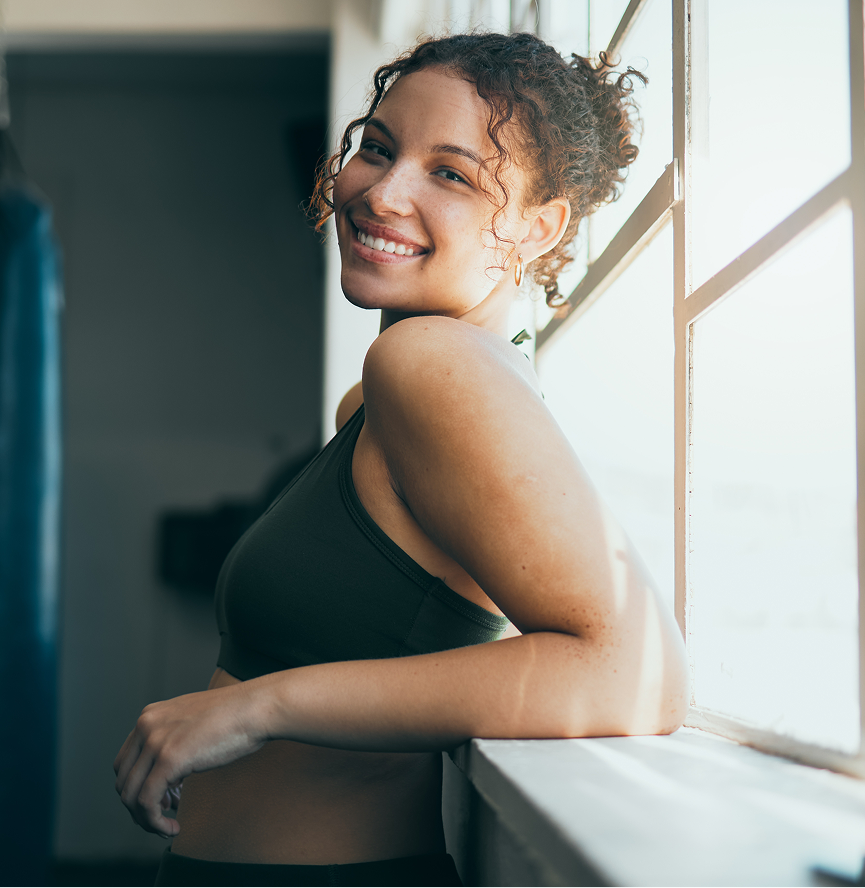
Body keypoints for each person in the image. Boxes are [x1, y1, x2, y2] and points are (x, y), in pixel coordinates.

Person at [115, 31, 689, 888]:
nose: (381, 192)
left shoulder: (430, 364)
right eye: (377, 149)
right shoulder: (392, 395)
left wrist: (261, 706)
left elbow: (631, 676)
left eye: (451, 174)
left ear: (538, 226)